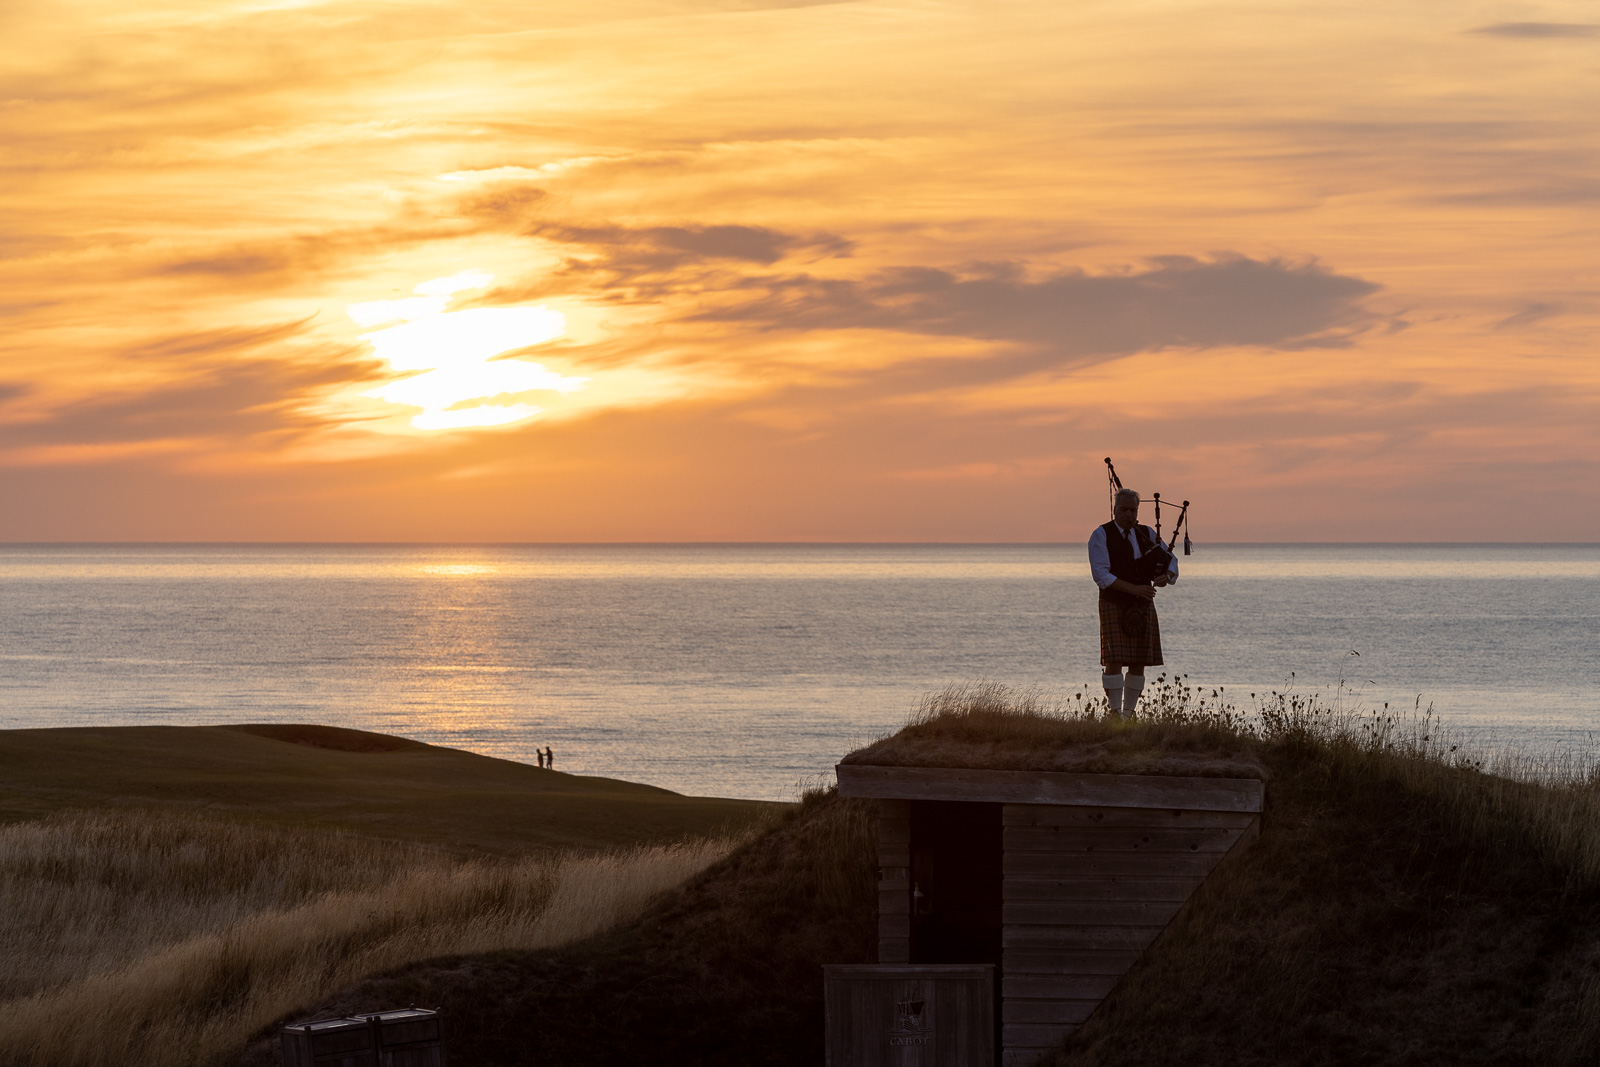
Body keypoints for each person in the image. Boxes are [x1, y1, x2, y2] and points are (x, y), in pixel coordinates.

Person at [1087, 487, 1179, 717]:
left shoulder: (1147, 533)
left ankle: (1129, 714)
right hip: (1115, 602)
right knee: (1115, 659)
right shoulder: (1101, 535)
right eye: (1124, 509)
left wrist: (1165, 577)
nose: (1128, 514)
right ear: (1114, 509)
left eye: (1133, 510)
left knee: (1139, 660)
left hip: (1142, 604)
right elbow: (1101, 576)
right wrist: (1134, 589)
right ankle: (1115, 712)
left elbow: (1172, 561)